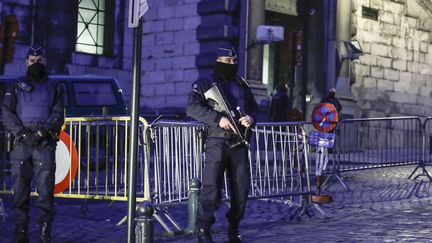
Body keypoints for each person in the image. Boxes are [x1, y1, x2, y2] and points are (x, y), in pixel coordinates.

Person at [187, 45, 258, 243]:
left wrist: (251, 118)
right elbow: (192, 107)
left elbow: (254, 108)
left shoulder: (241, 84)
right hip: (217, 141)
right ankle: (204, 230)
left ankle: (233, 228)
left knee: (241, 189)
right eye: (227, 61)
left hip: (239, 144)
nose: (232, 64)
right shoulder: (204, 82)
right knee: (211, 189)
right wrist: (217, 119)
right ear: (218, 60)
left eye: (234, 61)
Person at [2, 45, 65, 243]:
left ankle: (44, 232)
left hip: (44, 144)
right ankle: (21, 232)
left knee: (45, 191)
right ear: (26, 62)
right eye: (32, 61)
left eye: (39, 61)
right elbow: (6, 112)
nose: (35, 64)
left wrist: (41, 132)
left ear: (45, 62)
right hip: (22, 144)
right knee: (20, 190)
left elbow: (57, 113)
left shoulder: (55, 86)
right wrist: (21, 133)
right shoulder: (15, 85)